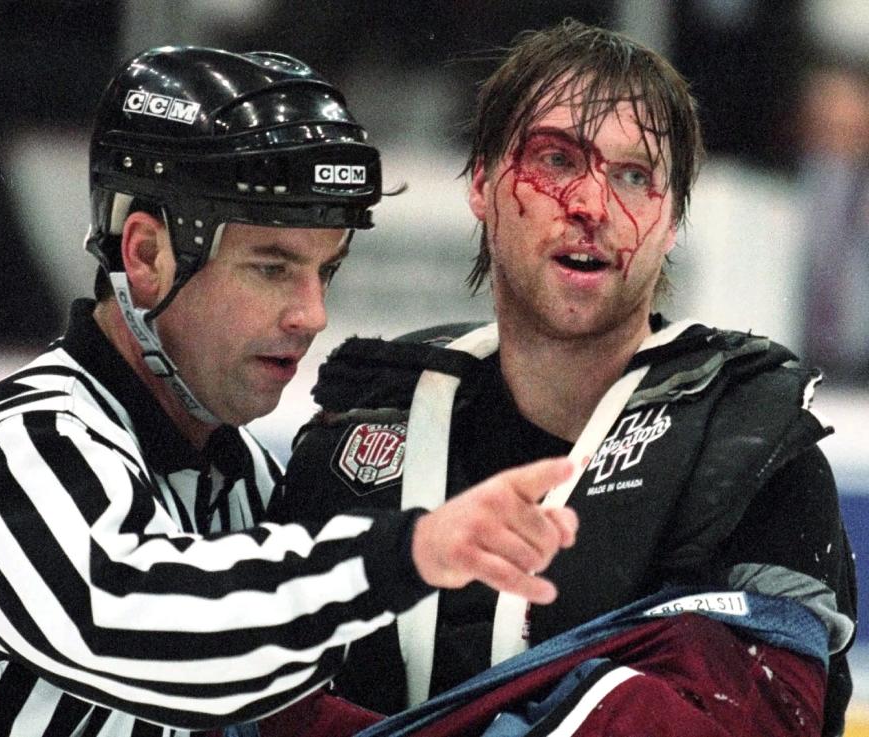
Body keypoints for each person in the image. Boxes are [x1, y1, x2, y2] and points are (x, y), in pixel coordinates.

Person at [0, 46, 580, 737]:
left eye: (327, 270)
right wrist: (407, 552)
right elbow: (155, 626)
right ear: (146, 256)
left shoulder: (246, 483)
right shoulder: (10, 455)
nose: (312, 314)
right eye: (271, 266)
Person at [271, 19, 858, 737]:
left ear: (673, 220)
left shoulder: (755, 454)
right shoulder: (360, 429)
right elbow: (253, 705)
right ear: (482, 183)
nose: (592, 207)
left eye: (634, 175)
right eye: (555, 160)